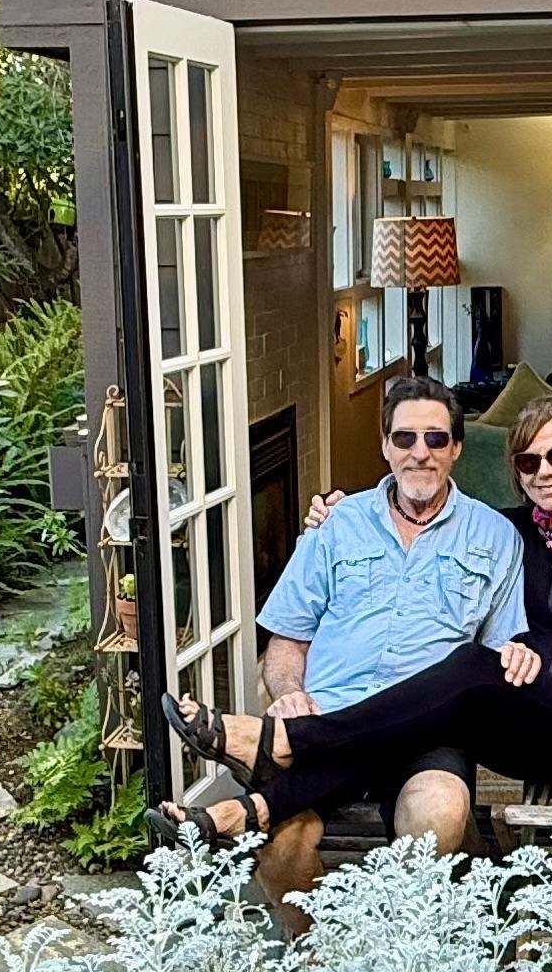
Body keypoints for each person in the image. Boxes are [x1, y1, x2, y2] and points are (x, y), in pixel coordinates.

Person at [162, 395, 552, 893]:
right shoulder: (519, 531)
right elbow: (444, 519)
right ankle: (255, 807)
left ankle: (281, 750)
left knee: (468, 668)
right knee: (433, 711)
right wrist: (332, 516)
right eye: (529, 462)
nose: (546, 471)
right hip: (547, 725)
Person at [150, 374, 524, 904]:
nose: (421, 453)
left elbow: (495, 655)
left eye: (436, 438)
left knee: (438, 814)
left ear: (457, 448)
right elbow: (287, 638)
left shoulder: (495, 536)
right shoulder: (336, 524)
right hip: (324, 711)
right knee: (281, 846)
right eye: (405, 438)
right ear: (385, 446)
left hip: (428, 733)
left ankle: (388, 947)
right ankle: (316, 961)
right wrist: (287, 692)